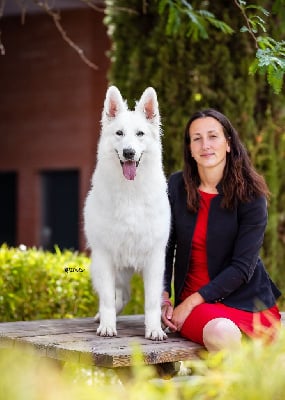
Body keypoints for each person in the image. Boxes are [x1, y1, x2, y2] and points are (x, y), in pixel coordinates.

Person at [161, 109, 282, 351]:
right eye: (197, 138)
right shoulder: (176, 186)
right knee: (222, 332)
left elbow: (242, 268)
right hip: (200, 309)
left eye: (213, 136)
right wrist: (163, 295)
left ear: (228, 143)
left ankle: (239, 389)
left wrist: (190, 304)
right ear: (190, 149)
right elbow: (164, 245)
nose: (205, 145)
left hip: (246, 301)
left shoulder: (251, 196)